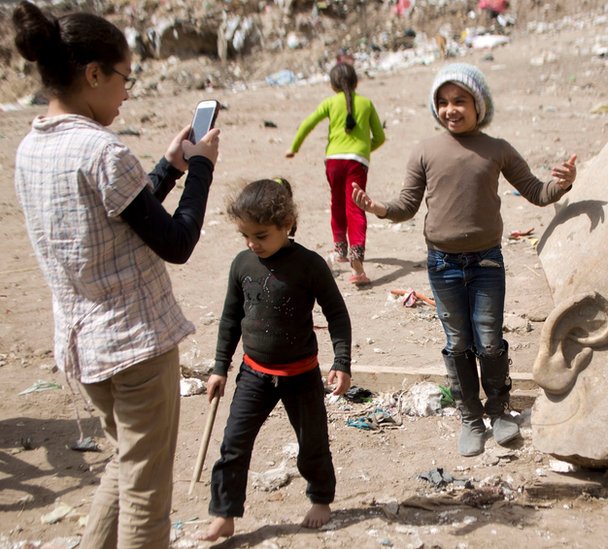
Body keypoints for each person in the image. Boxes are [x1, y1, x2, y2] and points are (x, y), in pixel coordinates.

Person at [11, 2, 220, 548]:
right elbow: (175, 243)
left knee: (126, 467)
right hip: (137, 347)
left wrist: (170, 167)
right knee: (147, 498)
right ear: (94, 74)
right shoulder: (103, 150)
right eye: (124, 78)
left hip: (84, 348)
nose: (127, 92)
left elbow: (125, 214)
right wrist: (201, 166)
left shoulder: (30, 147)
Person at [352, 63, 576, 457]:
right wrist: (378, 208)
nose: (450, 109)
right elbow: (407, 205)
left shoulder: (498, 149)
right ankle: (471, 417)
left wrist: (564, 183)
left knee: (489, 342)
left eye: (459, 100)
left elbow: (536, 192)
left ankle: (501, 411)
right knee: (458, 343)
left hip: (487, 263)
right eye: (442, 101)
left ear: (479, 104)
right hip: (442, 265)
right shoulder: (425, 150)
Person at [198, 178, 353, 541]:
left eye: (261, 235)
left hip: (300, 373)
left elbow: (338, 315)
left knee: (312, 441)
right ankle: (224, 512)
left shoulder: (310, 265)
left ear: (286, 225)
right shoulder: (242, 264)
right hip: (254, 373)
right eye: (246, 236)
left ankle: (320, 498)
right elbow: (230, 318)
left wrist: (341, 361)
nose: (253, 243)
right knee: (233, 443)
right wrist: (220, 367)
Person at [286, 61, 385, 286]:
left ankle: (340, 249)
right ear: (356, 81)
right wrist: (363, 150)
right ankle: (357, 264)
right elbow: (379, 137)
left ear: (332, 85)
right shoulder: (366, 104)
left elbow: (308, 123)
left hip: (333, 161)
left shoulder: (330, 103)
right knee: (355, 206)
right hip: (356, 163)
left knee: (337, 204)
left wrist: (294, 147)